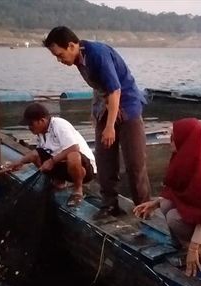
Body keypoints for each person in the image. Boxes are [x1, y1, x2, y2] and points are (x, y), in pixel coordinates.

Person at [42, 26, 151, 217]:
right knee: (104, 158)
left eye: (60, 55)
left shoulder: (97, 54)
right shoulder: (79, 59)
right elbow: (98, 86)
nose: (59, 60)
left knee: (135, 162)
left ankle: (143, 208)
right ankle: (110, 204)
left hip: (127, 106)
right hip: (105, 107)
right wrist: (96, 112)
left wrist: (110, 127)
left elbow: (115, 90)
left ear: (71, 46)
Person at [133, 118, 201, 277]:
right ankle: (184, 243)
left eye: (175, 137)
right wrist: (155, 203)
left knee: (174, 217)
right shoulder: (186, 157)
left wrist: (194, 248)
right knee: (166, 204)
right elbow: (176, 191)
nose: (170, 141)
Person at [8, 103, 96, 207]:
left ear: (42, 120)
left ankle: (78, 191)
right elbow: (36, 153)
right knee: (35, 155)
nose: (29, 127)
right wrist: (19, 162)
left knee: (73, 155)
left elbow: (74, 148)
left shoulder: (59, 125)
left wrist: (51, 161)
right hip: (64, 167)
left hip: (85, 169)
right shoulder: (40, 134)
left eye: (31, 124)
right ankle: (58, 182)